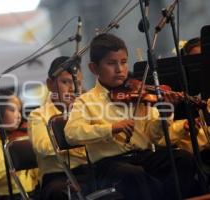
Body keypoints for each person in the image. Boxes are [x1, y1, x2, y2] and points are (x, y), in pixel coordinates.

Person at [65, 33, 197, 200]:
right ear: (94, 68)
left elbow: (154, 137)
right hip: (108, 165)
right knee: (133, 174)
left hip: (143, 156)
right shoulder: (85, 101)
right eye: (111, 63)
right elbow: (71, 134)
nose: (120, 69)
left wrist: (165, 114)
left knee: (183, 159)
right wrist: (111, 128)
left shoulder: (139, 94)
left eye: (124, 62)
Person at [28, 56, 91, 200]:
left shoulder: (87, 110)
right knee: (62, 193)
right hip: (57, 176)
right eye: (65, 82)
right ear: (50, 84)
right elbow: (43, 147)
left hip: (89, 171)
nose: (73, 89)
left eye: (78, 83)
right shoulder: (39, 115)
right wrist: (79, 138)